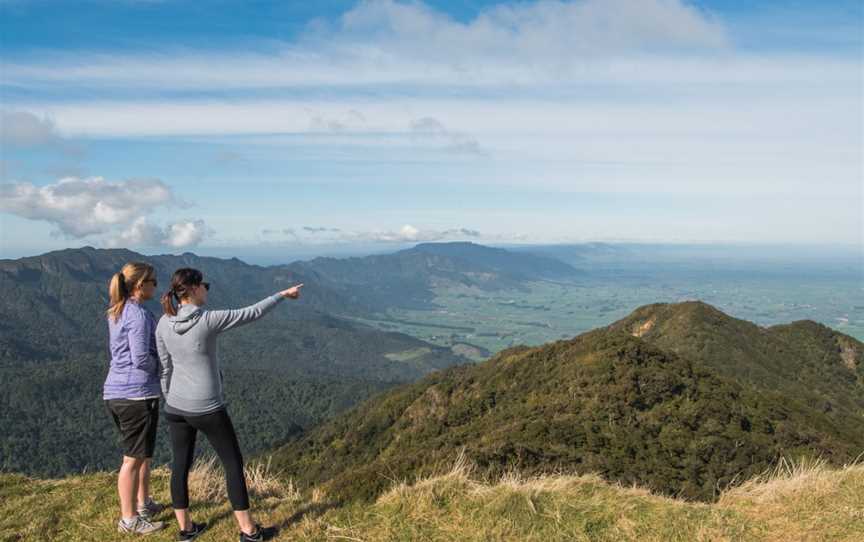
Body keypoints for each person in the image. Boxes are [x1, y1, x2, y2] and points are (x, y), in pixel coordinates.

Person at [156, 268, 302, 542]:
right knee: (232, 464)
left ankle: (186, 530)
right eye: (206, 285)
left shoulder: (164, 323)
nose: (208, 289)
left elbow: (164, 368)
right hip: (208, 406)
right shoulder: (208, 320)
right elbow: (252, 312)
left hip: (175, 407)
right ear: (195, 289)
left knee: (180, 465)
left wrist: (170, 398)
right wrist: (282, 295)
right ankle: (249, 532)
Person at [103, 262, 167, 535]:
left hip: (117, 391)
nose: (156, 284)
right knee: (132, 458)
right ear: (140, 285)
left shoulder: (118, 310)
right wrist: (164, 369)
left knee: (143, 454)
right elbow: (141, 358)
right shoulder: (138, 315)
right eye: (153, 280)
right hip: (136, 394)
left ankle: (143, 504)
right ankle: (129, 520)